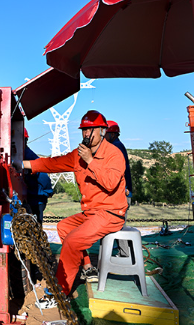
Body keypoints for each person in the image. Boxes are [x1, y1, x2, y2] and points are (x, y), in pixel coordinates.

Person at [23, 110, 128, 309]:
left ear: (102, 131)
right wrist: (25, 164)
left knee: (72, 241)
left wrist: (90, 161)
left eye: (90, 130)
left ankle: (60, 293)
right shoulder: (78, 155)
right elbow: (52, 163)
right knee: (63, 227)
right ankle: (88, 268)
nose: (86, 134)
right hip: (91, 213)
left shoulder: (114, 154)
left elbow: (111, 183)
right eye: (84, 130)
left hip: (110, 213)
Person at [105, 120, 133, 257]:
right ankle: (123, 253)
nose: (103, 137)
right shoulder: (118, 146)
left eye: (105, 134)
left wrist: (124, 188)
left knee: (119, 224)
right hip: (123, 192)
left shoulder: (116, 148)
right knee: (118, 224)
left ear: (112, 134)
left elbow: (118, 171)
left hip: (122, 194)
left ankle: (125, 255)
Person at [23, 128, 54, 224]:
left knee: (35, 227)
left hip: (36, 199)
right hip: (31, 197)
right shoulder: (23, 154)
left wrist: (47, 191)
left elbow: (43, 176)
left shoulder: (30, 156)